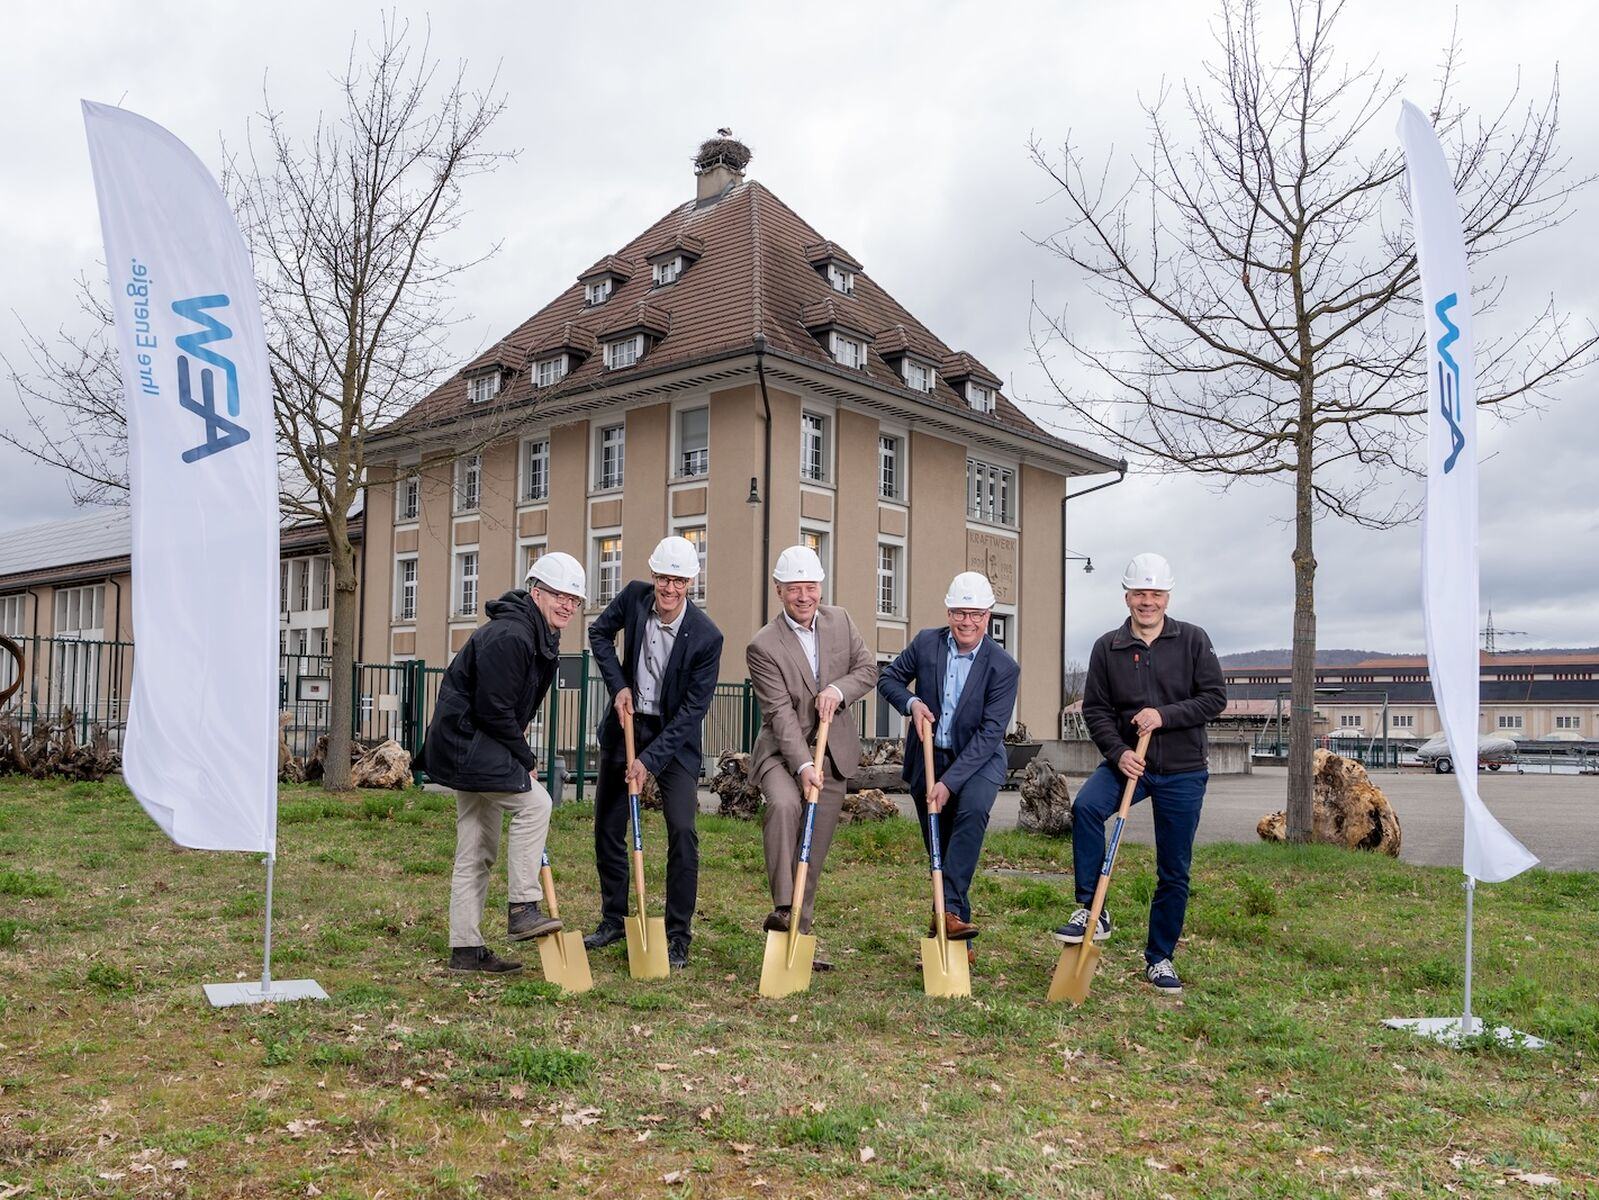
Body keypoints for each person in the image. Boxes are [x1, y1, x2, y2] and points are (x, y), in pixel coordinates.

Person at [1054, 553, 1226, 997]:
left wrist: (1163, 716)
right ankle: (1093, 908)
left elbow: (1214, 699)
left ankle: (1160, 957)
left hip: (1183, 770)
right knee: (1087, 807)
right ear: (1127, 596)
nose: (1147, 602)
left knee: (1174, 867)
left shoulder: (1192, 640)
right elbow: (1095, 710)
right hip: (1130, 763)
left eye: (1155, 594)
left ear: (1167, 597)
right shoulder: (1107, 646)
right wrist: (1118, 753)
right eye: (1139, 594)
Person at [419, 552, 587, 975]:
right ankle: (523, 907)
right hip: (469, 741)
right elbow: (494, 709)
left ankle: (466, 949)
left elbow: (507, 706)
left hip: (473, 742)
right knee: (537, 805)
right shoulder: (513, 635)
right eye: (558, 595)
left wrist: (515, 748)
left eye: (574, 599)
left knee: (475, 847)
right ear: (536, 592)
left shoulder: (535, 632)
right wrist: (523, 757)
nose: (567, 604)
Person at [583, 536, 724, 970]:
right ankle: (613, 918)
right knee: (609, 825)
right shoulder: (634, 598)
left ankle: (677, 935)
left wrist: (647, 762)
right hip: (627, 723)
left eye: (678, 581)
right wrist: (618, 686)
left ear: (690, 583)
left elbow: (690, 715)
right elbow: (598, 633)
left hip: (673, 738)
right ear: (653, 577)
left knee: (682, 831)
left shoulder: (706, 637)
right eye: (662, 578)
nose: (668, 589)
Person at [746, 545, 876, 971]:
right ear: (778, 590)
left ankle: (798, 938)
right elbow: (780, 714)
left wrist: (837, 691)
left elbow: (867, 670)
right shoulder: (763, 645)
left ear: (820, 587)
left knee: (813, 849)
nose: (804, 596)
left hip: (833, 752)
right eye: (794, 588)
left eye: (811, 587)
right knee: (785, 806)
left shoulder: (841, 621)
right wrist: (803, 767)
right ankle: (784, 908)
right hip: (783, 754)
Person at [878, 572, 1020, 959]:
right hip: (929, 758)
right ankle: (958, 933)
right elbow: (888, 678)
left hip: (978, 762)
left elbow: (991, 733)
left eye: (975, 614)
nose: (967, 622)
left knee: (970, 815)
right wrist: (912, 704)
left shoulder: (1003, 667)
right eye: (960, 613)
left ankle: (948, 912)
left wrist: (949, 783)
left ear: (988, 616)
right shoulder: (927, 642)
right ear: (949, 612)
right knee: (939, 848)